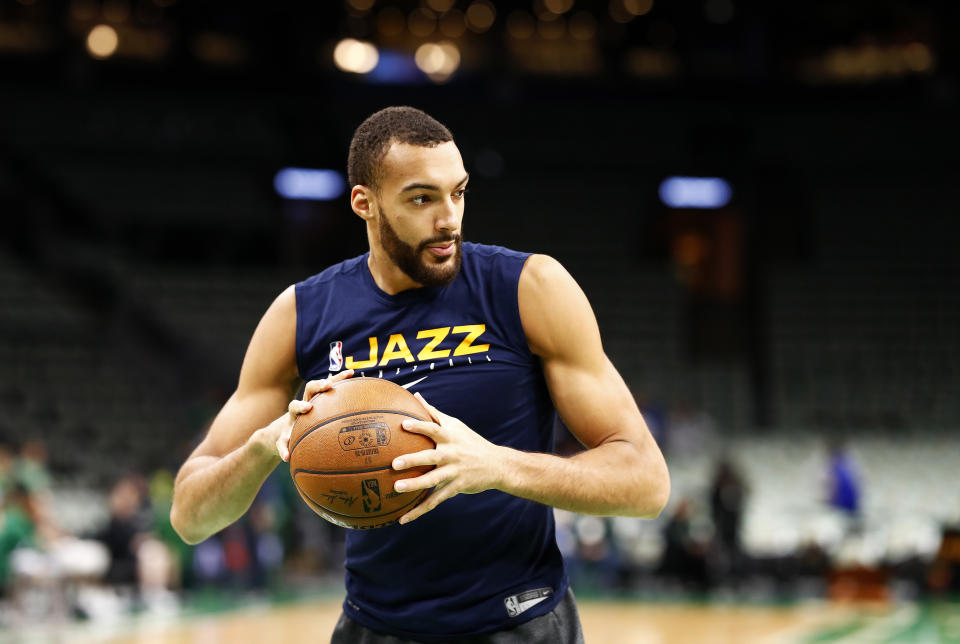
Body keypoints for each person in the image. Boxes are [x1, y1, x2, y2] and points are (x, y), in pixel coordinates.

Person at [170, 106, 670, 643]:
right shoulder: (301, 314)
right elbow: (189, 516)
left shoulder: (529, 287)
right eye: (422, 198)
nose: (449, 218)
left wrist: (496, 465)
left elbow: (645, 481)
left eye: (458, 192)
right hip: (373, 629)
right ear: (365, 203)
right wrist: (263, 448)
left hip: (519, 623)